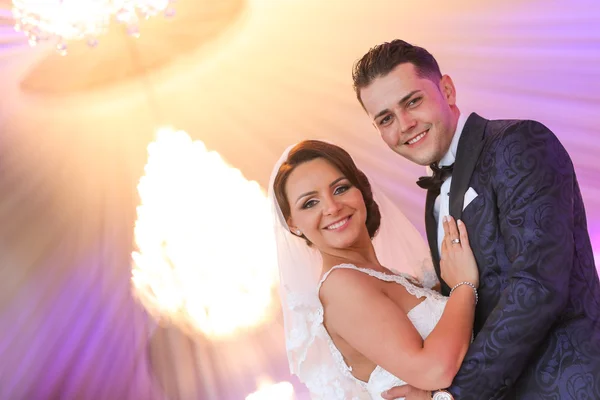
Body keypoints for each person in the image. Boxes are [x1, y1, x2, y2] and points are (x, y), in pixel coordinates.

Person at [351, 39, 600, 399]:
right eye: (386, 118)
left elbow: (537, 286)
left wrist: (453, 395)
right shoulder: (433, 197)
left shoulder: (519, 142)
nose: (404, 124)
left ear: (447, 89)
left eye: (413, 101)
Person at [269, 140, 480, 399]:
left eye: (340, 189)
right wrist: (463, 287)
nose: (332, 208)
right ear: (293, 225)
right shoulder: (341, 285)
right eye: (310, 203)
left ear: (360, 191)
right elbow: (433, 371)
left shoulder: (392, 278)